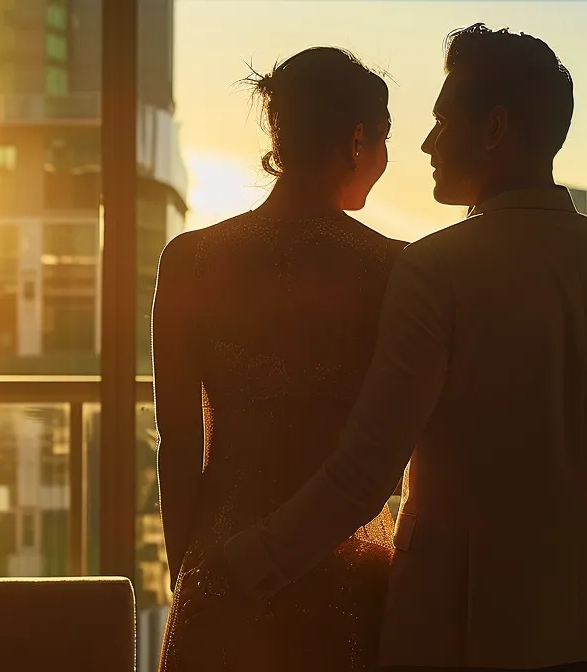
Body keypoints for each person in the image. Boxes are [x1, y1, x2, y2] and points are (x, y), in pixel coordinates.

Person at [202, 24, 587, 672]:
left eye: (441, 121)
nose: (428, 143)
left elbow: (366, 473)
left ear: (493, 128)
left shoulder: (439, 269)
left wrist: (246, 564)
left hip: (458, 627)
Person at [151, 46, 406, 671]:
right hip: (346, 564)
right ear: (356, 140)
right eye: (383, 141)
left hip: (222, 548)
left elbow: (178, 443)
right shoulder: (394, 269)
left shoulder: (189, 260)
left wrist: (191, 567)